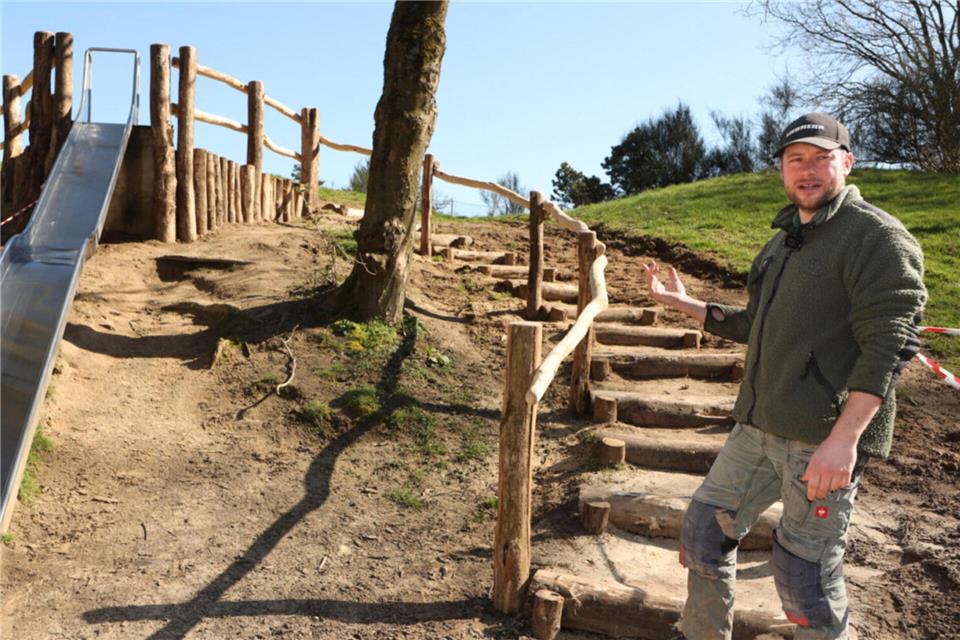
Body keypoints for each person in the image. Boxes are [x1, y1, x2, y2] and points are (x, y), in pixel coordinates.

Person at [643, 113, 927, 640]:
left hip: (820, 442)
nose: (808, 170)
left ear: (847, 162)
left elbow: (890, 348)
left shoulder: (876, 238)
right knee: (704, 534)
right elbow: (757, 323)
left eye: (821, 158)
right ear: (781, 169)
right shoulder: (782, 241)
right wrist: (688, 306)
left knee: (805, 580)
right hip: (756, 431)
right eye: (796, 159)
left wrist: (844, 441)